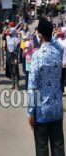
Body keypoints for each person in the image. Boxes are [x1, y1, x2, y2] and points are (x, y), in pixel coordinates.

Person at [28, 18, 65, 156]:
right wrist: (51, 35)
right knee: (58, 147)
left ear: (40, 35)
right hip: (56, 109)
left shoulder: (37, 56)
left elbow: (33, 86)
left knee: (42, 148)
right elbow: (60, 46)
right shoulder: (58, 53)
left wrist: (30, 112)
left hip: (42, 112)